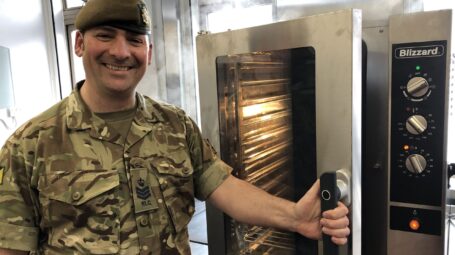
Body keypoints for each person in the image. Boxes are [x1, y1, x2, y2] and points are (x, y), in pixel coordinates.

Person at [0, 0, 350, 254]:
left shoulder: (174, 124)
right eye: (105, 36)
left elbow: (224, 187)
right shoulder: (30, 144)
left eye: (135, 40)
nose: (121, 51)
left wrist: (294, 216)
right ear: (79, 44)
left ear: (148, 52)